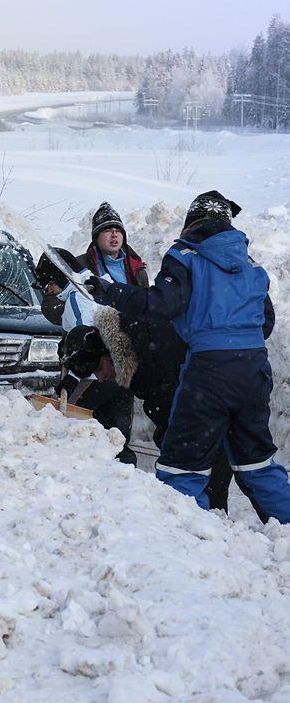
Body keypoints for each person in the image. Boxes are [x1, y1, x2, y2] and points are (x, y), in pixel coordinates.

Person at [86, 190, 290, 524]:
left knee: (181, 466)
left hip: (210, 373)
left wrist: (110, 291)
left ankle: (180, 542)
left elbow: (162, 304)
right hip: (254, 371)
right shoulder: (251, 265)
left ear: (190, 225)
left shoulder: (186, 255)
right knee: (258, 464)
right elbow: (265, 321)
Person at [33, 247, 137, 464]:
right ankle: (125, 481)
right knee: (115, 441)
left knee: (65, 427)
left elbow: (86, 341)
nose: (50, 290)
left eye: (50, 284)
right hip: (121, 378)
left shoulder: (77, 299)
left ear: (61, 276)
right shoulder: (102, 286)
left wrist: (72, 377)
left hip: (94, 378)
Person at [77, 201, 149, 287]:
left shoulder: (137, 270)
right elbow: (58, 297)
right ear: (96, 238)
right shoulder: (78, 266)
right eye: (107, 230)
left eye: (118, 231)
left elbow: (147, 299)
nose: (114, 235)